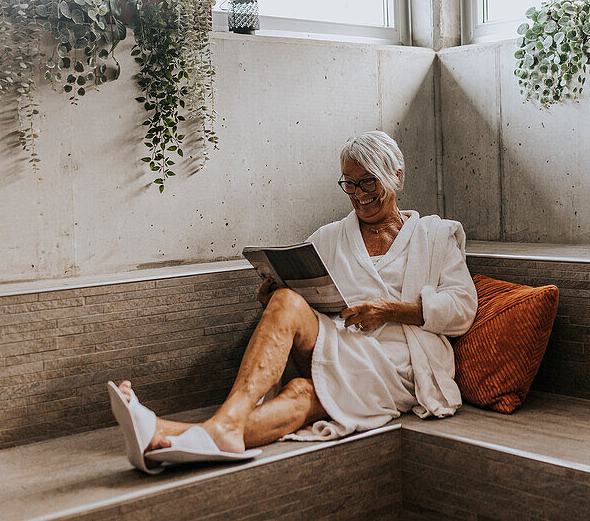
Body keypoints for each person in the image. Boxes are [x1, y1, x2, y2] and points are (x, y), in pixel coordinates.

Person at [109, 131, 477, 472]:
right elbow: (304, 301)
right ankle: (217, 430)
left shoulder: (435, 235)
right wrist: (273, 295)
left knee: (303, 393)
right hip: (341, 343)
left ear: (395, 175)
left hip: (398, 364)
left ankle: (167, 431)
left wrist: (389, 310)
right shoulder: (329, 237)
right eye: (349, 183)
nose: (358, 194)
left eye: (369, 182)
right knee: (285, 304)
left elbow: (462, 310)